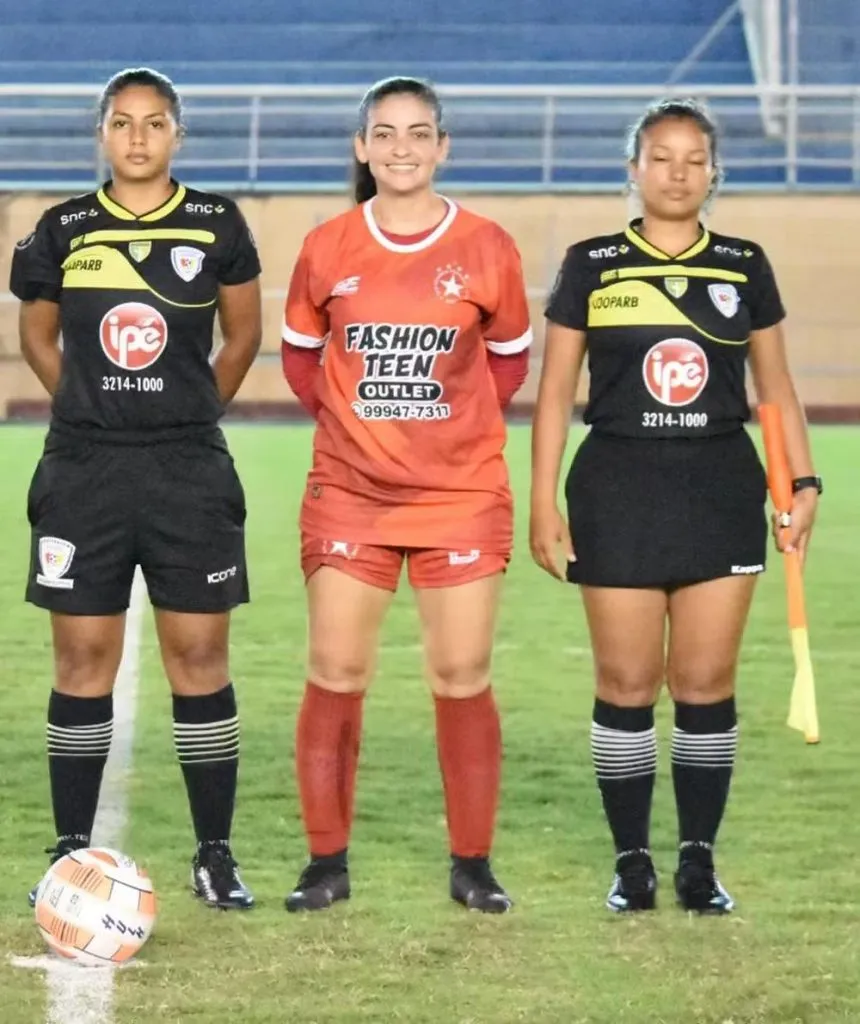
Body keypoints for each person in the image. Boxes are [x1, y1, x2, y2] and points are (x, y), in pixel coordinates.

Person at [530, 98, 819, 914]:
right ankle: (631, 863)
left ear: (714, 173)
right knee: (626, 684)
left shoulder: (743, 262)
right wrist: (544, 501)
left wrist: (804, 483)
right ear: (634, 169)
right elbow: (554, 394)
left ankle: (697, 861)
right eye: (661, 157)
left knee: (704, 682)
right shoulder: (590, 263)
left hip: (721, 488)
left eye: (694, 159)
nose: (678, 172)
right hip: (616, 488)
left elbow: (777, 387)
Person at [12, 67, 262, 911]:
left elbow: (242, 334)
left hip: (189, 470)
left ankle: (215, 853)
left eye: (155, 123)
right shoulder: (63, 228)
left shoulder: (217, 222)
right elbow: (38, 334)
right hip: (85, 469)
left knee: (199, 658)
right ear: (103, 134)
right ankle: (71, 853)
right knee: (83, 659)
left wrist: (188, 414)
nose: (139, 138)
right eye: (122, 123)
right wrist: (90, 406)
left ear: (176, 135)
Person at [280, 76, 531, 913]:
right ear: (362, 148)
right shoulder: (327, 247)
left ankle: (473, 864)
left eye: (419, 134)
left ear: (442, 147)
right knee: (336, 668)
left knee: (461, 674)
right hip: (351, 492)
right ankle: (325, 863)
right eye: (384, 134)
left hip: (459, 493)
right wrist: (361, 430)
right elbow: (300, 360)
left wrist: (445, 435)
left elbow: (508, 362)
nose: (401, 149)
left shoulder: (489, 246)